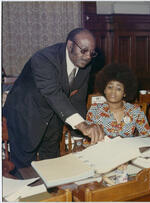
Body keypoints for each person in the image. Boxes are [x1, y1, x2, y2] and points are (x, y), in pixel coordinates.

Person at [3, 28, 105, 170]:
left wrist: (78, 137)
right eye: (84, 50)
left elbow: (78, 99)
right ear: (70, 45)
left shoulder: (85, 63)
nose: (88, 56)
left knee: (52, 163)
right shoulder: (44, 58)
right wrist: (84, 126)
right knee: (24, 169)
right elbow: (53, 93)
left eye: (92, 53)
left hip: (53, 114)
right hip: (25, 113)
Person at [86, 63, 150, 138]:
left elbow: (147, 136)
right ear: (104, 90)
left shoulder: (135, 111)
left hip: (127, 148)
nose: (113, 92)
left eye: (118, 89)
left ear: (124, 93)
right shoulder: (95, 110)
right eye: (110, 87)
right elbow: (87, 140)